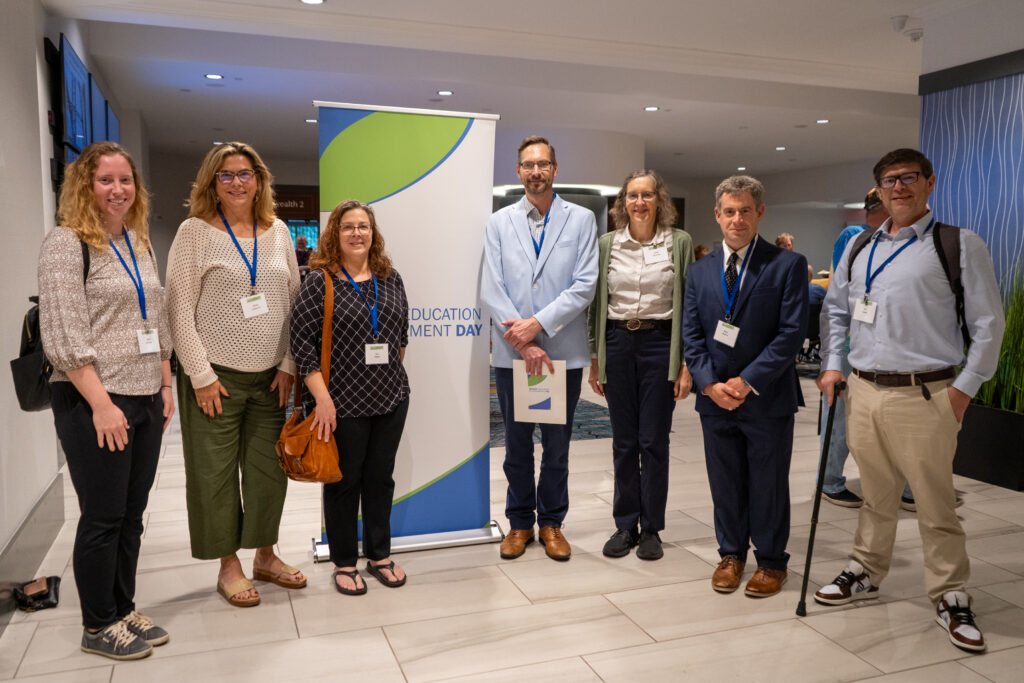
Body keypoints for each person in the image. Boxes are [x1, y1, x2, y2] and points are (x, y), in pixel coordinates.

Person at [815, 148, 1005, 652]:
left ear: (928, 183)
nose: (897, 187)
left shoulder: (957, 244)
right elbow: (836, 312)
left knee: (933, 502)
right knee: (875, 494)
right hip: (864, 388)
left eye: (907, 178)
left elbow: (989, 325)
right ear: (877, 190)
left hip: (927, 394)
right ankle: (865, 570)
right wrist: (834, 365)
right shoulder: (860, 248)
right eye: (888, 180)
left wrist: (964, 390)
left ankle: (950, 593)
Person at [38, 142, 174, 660]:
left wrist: (164, 384)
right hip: (93, 398)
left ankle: (122, 605)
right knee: (103, 515)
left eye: (125, 180)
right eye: (105, 180)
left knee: (132, 513)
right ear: (83, 186)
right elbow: (63, 334)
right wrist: (100, 403)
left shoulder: (138, 243)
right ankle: (97, 623)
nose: (118, 190)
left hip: (142, 396)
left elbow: (155, 319)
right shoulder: (65, 244)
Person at [165, 142, 305, 608]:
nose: (237, 182)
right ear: (212, 183)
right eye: (226, 175)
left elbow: (294, 301)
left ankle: (265, 555)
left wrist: (288, 363)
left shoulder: (279, 231)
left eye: (245, 173)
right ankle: (229, 565)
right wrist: (200, 374)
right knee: (214, 475)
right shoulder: (194, 233)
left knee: (269, 472)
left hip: (271, 377)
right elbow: (178, 308)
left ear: (260, 180)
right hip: (215, 380)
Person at [682, 175, 808, 597]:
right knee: (725, 480)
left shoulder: (786, 266)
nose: (737, 219)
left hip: (767, 397)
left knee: (768, 482)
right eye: (729, 212)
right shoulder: (699, 272)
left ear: (760, 213)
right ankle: (731, 554)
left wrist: (746, 381)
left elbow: (791, 334)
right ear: (717, 216)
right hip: (715, 399)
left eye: (745, 211)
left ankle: (772, 561)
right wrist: (708, 384)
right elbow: (692, 336)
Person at [481, 135, 598, 562]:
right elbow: (491, 288)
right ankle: (518, 524)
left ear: (555, 169)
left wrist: (537, 326)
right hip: (514, 354)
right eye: (528, 165)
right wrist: (524, 339)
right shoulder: (499, 222)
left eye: (543, 164)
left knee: (557, 443)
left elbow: (584, 284)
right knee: (515, 443)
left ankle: (551, 523)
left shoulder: (582, 219)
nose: (536, 172)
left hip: (560, 353)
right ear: (518, 172)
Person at [290, 200, 410, 595]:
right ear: (334, 235)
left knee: (380, 480)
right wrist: (322, 400)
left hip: (390, 399)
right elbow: (302, 344)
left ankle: (379, 555)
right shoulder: (319, 281)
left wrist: (390, 376)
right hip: (340, 405)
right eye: (348, 227)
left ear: (373, 233)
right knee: (344, 483)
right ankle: (344, 561)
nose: (357, 233)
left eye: (363, 226)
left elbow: (401, 335)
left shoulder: (390, 278)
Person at [587, 170, 694, 560]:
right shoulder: (606, 245)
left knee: (653, 441)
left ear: (659, 200)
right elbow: (597, 305)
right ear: (622, 203)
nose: (639, 202)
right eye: (632, 195)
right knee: (623, 441)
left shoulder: (678, 242)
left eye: (647, 194)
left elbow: (689, 305)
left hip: (659, 344)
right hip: (617, 342)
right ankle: (624, 524)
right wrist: (596, 358)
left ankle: (651, 528)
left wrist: (685, 364)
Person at [818, 188, 887, 508]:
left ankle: (899, 485)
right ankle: (829, 480)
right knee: (840, 413)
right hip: (848, 341)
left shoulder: (899, 238)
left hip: (881, 344)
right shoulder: (855, 236)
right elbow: (842, 290)